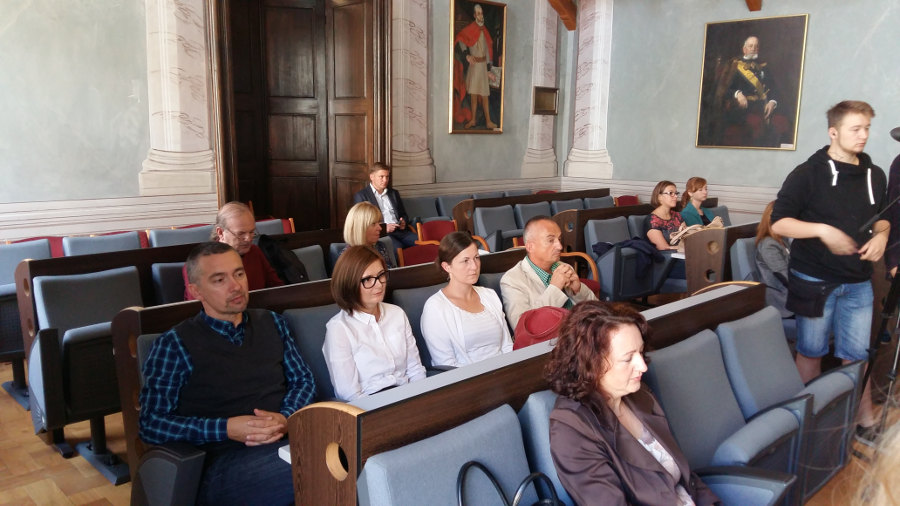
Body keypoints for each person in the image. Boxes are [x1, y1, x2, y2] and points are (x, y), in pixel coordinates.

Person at [140, 242, 316, 506]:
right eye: (219, 280)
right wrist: (225, 428)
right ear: (195, 290)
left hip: (287, 441)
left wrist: (286, 417)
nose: (235, 286)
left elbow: (303, 381)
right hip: (221, 462)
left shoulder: (273, 322)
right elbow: (151, 424)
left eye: (239, 274)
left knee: (356, 448)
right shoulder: (174, 344)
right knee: (320, 468)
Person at [771, 100, 888, 446]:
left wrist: (882, 236)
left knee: (857, 356)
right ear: (833, 132)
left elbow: (883, 217)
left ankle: (863, 420)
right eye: (856, 129)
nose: (863, 135)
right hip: (814, 280)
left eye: (867, 128)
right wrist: (822, 230)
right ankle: (804, 426)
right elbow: (779, 223)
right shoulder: (807, 173)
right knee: (812, 352)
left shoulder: (875, 174)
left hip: (858, 281)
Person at [546, 301, 719, 505]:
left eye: (641, 351)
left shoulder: (638, 394)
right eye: (628, 359)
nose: (643, 366)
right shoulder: (571, 430)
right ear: (591, 363)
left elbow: (687, 477)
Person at [323, 245, 426, 401]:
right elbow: (349, 393)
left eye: (381, 275)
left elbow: (415, 369)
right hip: (370, 404)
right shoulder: (338, 328)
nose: (379, 284)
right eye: (368, 279)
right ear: (349, 283)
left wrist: (421, 400)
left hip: (408, 395)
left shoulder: (397, 313)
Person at [420, 232, 512, 367]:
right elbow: (446, 364)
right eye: (465, 261)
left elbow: (508, 346)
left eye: (476, 258)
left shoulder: (489, 295)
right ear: (447, 267)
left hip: (505, 370)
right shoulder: (435, 307)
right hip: (468, 377)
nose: (474, 266)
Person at [500, 216, 596, 329]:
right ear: (530, 246)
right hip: (555, 338)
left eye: (559, 239)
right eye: (551, 240)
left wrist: (578, 290)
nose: (560, 246)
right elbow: (521, 328)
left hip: (582, 331)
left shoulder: (563, 267)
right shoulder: (512, 280)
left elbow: (596, 310)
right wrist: (555, 288)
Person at [183, 201, 283, 300]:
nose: (248, 239)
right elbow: (197, 306)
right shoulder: (199, 264)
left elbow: (278, 289)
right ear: (220, 232)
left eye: (251, 232)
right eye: (241, 234)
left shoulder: (254, 252)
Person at [717, 35, 789, 147]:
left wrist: (772, 102)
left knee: (782, 122)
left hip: (763, 107)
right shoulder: (734, 66)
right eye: (750, 46)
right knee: (756, 126)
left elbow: (773, 88)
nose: (753, 49)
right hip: (742, 109)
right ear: (744, 49)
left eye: (756, 46)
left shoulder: (763, 66)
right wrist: (737, 94)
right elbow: (724, 90)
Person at [452, 3, 499, 129]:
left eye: (481, 13)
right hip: (474, 66)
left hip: (483, 67)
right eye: (478, 14)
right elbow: (460, 40)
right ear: (474, 15)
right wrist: (467, 55)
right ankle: (473, 120)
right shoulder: (470, 29)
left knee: (484, 95)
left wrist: (489, 69)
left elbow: (488, 51)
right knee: (473, 94)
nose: (480, 16)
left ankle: (488, 121)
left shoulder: (485, 30)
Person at [352, 163, 418, 251]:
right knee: (397, 249)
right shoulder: (362, 196)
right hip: (382, 234)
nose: (385, 180)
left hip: (400, 231)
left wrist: (403, 222)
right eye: (381, 177)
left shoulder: (393, 193)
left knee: (423, 243)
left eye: (387, 177)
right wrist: (384, 228)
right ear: (372, 177)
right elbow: (362, 223)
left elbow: (403, 214)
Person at [755, 201, 792, 318]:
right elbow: (784, 276)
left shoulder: (782, 240)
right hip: (781, 300)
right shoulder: (769, 245)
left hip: (791, 294)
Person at [647, 180, 686, 279]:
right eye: (671, 193)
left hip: (683, 257)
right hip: (667, 263)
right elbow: (663, 248)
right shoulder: (652, 220)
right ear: (659, 197)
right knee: (701, 266)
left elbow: (687, 238)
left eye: (676, 193)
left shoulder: (677, 216)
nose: (675, 196)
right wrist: (685, 248)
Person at [342, 201, 395, 268]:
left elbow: (390, 272)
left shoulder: (380, 246)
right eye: (373, 224)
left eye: (379, 222)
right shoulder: (348, 256)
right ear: (360, 227)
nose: (380, 228)